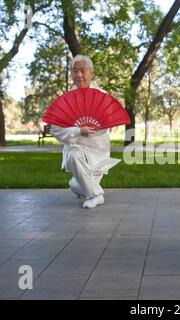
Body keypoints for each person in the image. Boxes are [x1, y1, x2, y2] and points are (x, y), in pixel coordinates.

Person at [51, 54, 119, 209]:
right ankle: (96, 195)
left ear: (91, 73)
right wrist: (78, 131)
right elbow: (56, 130)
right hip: (76, 147)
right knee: (73, 155)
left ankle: (82, 188)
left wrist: (91, 129)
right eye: (75, 71)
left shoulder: (102, 97)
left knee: (76, 186)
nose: (79, 75)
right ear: (71, 74)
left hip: (97, 151)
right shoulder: (66, 99)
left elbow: (107, 122)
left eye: (83, 70)